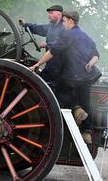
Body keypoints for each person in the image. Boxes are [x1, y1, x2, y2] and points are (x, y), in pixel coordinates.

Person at [28, 11, 101, 143]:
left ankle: (75, 108)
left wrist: (37, 64)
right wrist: (91, 63)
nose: (62, 23)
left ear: (70, 21)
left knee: (56, 90)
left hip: (73, 74)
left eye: (64, 20)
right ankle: (87, 132)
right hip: (87, 76)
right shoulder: (85, 36)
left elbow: (52, 52)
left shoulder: (69, 35)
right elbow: (96, 54)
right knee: (86, 103)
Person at [19, 5, 66, 83]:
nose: (49, 15)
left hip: (59, 66)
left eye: (51, 13)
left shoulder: (65, 27)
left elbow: (62, 44)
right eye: (49, 13)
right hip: (51, 64)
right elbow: (38, 28)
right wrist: (25, 25)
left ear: (59, 14)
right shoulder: (51, 27)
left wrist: (47, 44)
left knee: (37, 83)